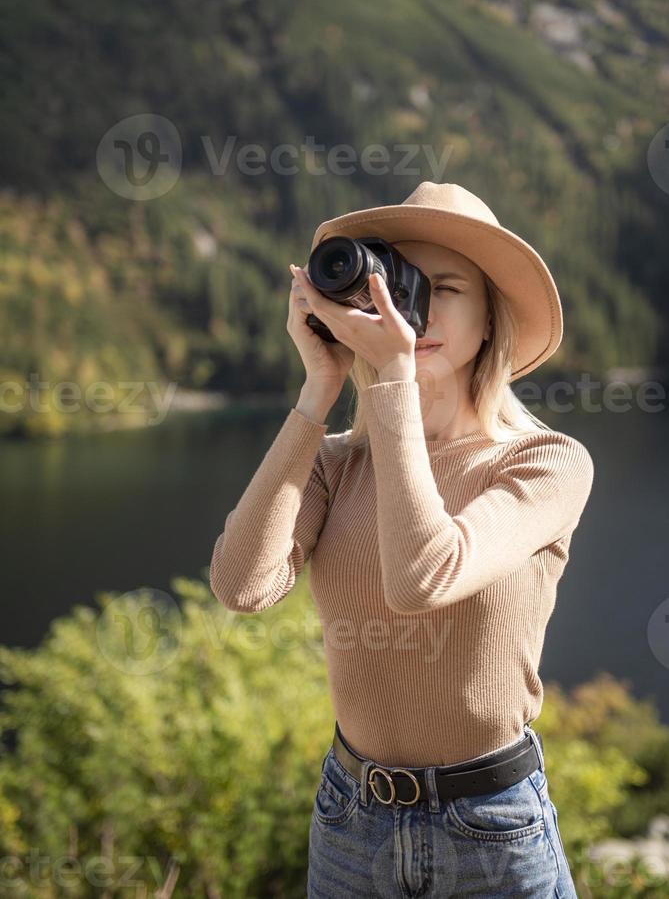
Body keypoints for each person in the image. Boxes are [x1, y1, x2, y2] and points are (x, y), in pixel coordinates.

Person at [209, 182, 595, 898]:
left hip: (493, 827)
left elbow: (423, 577)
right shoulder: (335, 463)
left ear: (490, 320)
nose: (408, 308)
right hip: (350, 819)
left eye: (441, 287)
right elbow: (242, 587)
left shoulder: (543, 462)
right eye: (393, 285)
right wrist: (319, 390)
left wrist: (388, 377)